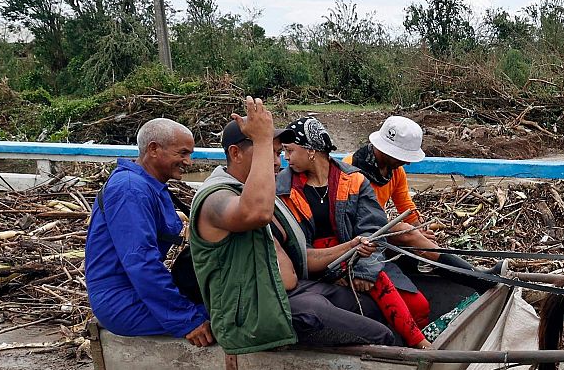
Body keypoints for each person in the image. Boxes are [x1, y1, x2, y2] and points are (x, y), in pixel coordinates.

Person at [190, 99, 400, 353]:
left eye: (279, 153)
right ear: (236, 154)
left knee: (372, 309)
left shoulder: (263, 195)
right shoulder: (217, 197)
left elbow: (304, 257)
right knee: (381, 336)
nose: (279, 162)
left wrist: (352, 246)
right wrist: (262, 138)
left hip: (295, 290)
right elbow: (254, 212)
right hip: (259, 310)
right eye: (270, 152)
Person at [276, 115, 431, 348]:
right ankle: (417, 344)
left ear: (311, 151)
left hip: (354, 257)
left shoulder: (354, 180)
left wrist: (363, 271)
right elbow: (295, 249)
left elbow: (372, 228)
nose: (285, 158)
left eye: (289, 151)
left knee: (415, 303)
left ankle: (419, 343)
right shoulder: (283, 190)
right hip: (313, 263)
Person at [85, 118, 213, 346]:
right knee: (225, 317)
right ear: (153, 149)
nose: (188, 162)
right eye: (182, 153)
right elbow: (141, 262)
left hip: (136, 289)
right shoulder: (130, 190)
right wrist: (186, 319)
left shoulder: (149, 184)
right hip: (122, 301)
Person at [347, 114, 479, 276]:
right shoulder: (349, 169)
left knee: (416, 234)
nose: (407, 162)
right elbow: (345, 217)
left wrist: (420, 231)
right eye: (403, 156)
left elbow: (406, 207)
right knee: (405, 231)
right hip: (355, 233)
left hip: (376, 229)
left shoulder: (396, 172)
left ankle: (450, 274)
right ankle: (475, 276)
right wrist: (410, 233)